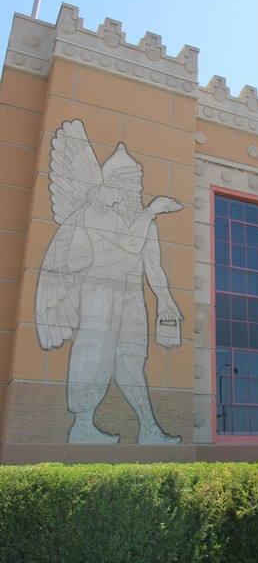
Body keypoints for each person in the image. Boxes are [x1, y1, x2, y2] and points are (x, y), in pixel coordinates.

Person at [36, 136, 183, 444]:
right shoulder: (98, 213)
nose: (137, 188)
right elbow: (128, 244)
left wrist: (165, 299)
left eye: (138, 182)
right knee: (93, 356)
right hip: (100, 294)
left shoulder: (146, 223)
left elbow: (152, 265)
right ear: (115, 183)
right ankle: (82, 426)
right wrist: (150, 212)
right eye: (131, 182)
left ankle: (149, 429)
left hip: (132, 299)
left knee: (131, 362)